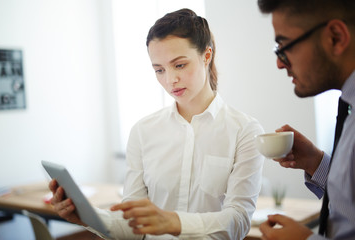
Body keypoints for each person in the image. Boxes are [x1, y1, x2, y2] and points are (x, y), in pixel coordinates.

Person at [49, 8, 264, 240]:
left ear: (207, 55)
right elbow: (131, 226)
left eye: (179, 65)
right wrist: (86, 217)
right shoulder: (143, 132)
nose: (170, 80)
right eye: (159, 70)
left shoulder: (245, 132)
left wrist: (174, 222)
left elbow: (239, 220)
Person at [256, 0, 355, 239]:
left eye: (284, 47)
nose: (280, 63)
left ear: (335, 37)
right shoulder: (349, 108)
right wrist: (316, 162)